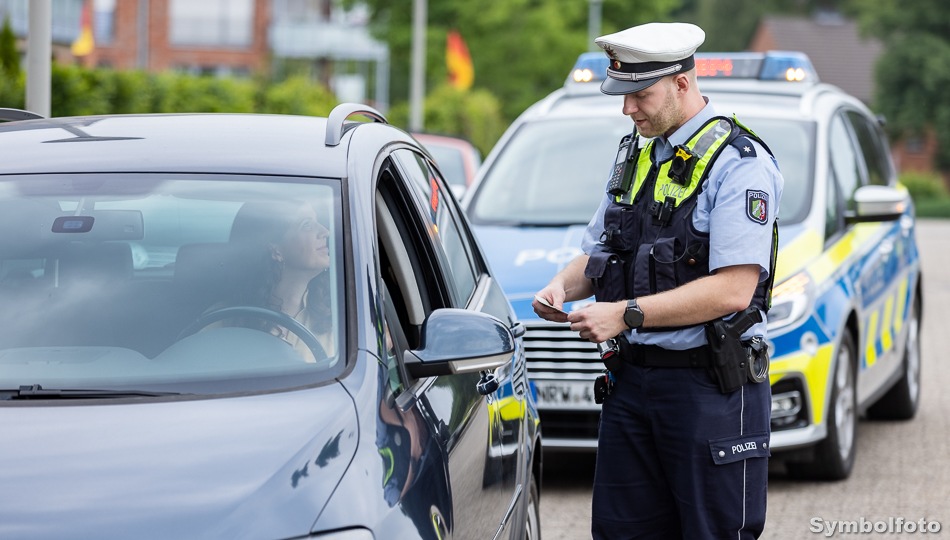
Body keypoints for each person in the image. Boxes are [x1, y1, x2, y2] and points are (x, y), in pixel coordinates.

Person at [532, 22, 783, 539]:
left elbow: (734, 289)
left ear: (683, 83)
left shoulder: (739, 164)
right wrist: (560, 285)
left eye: (640, 95)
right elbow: (603, 252)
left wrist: (625, 314)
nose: (628, 109)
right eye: (623, 96)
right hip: (633, 385)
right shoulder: (637, 153)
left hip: (709, 388)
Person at [226, 199, 334, 362]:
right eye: (306, 225)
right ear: (276, 250)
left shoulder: (342, 319)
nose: (325, 232)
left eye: (318, 222)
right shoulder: (226, 321)